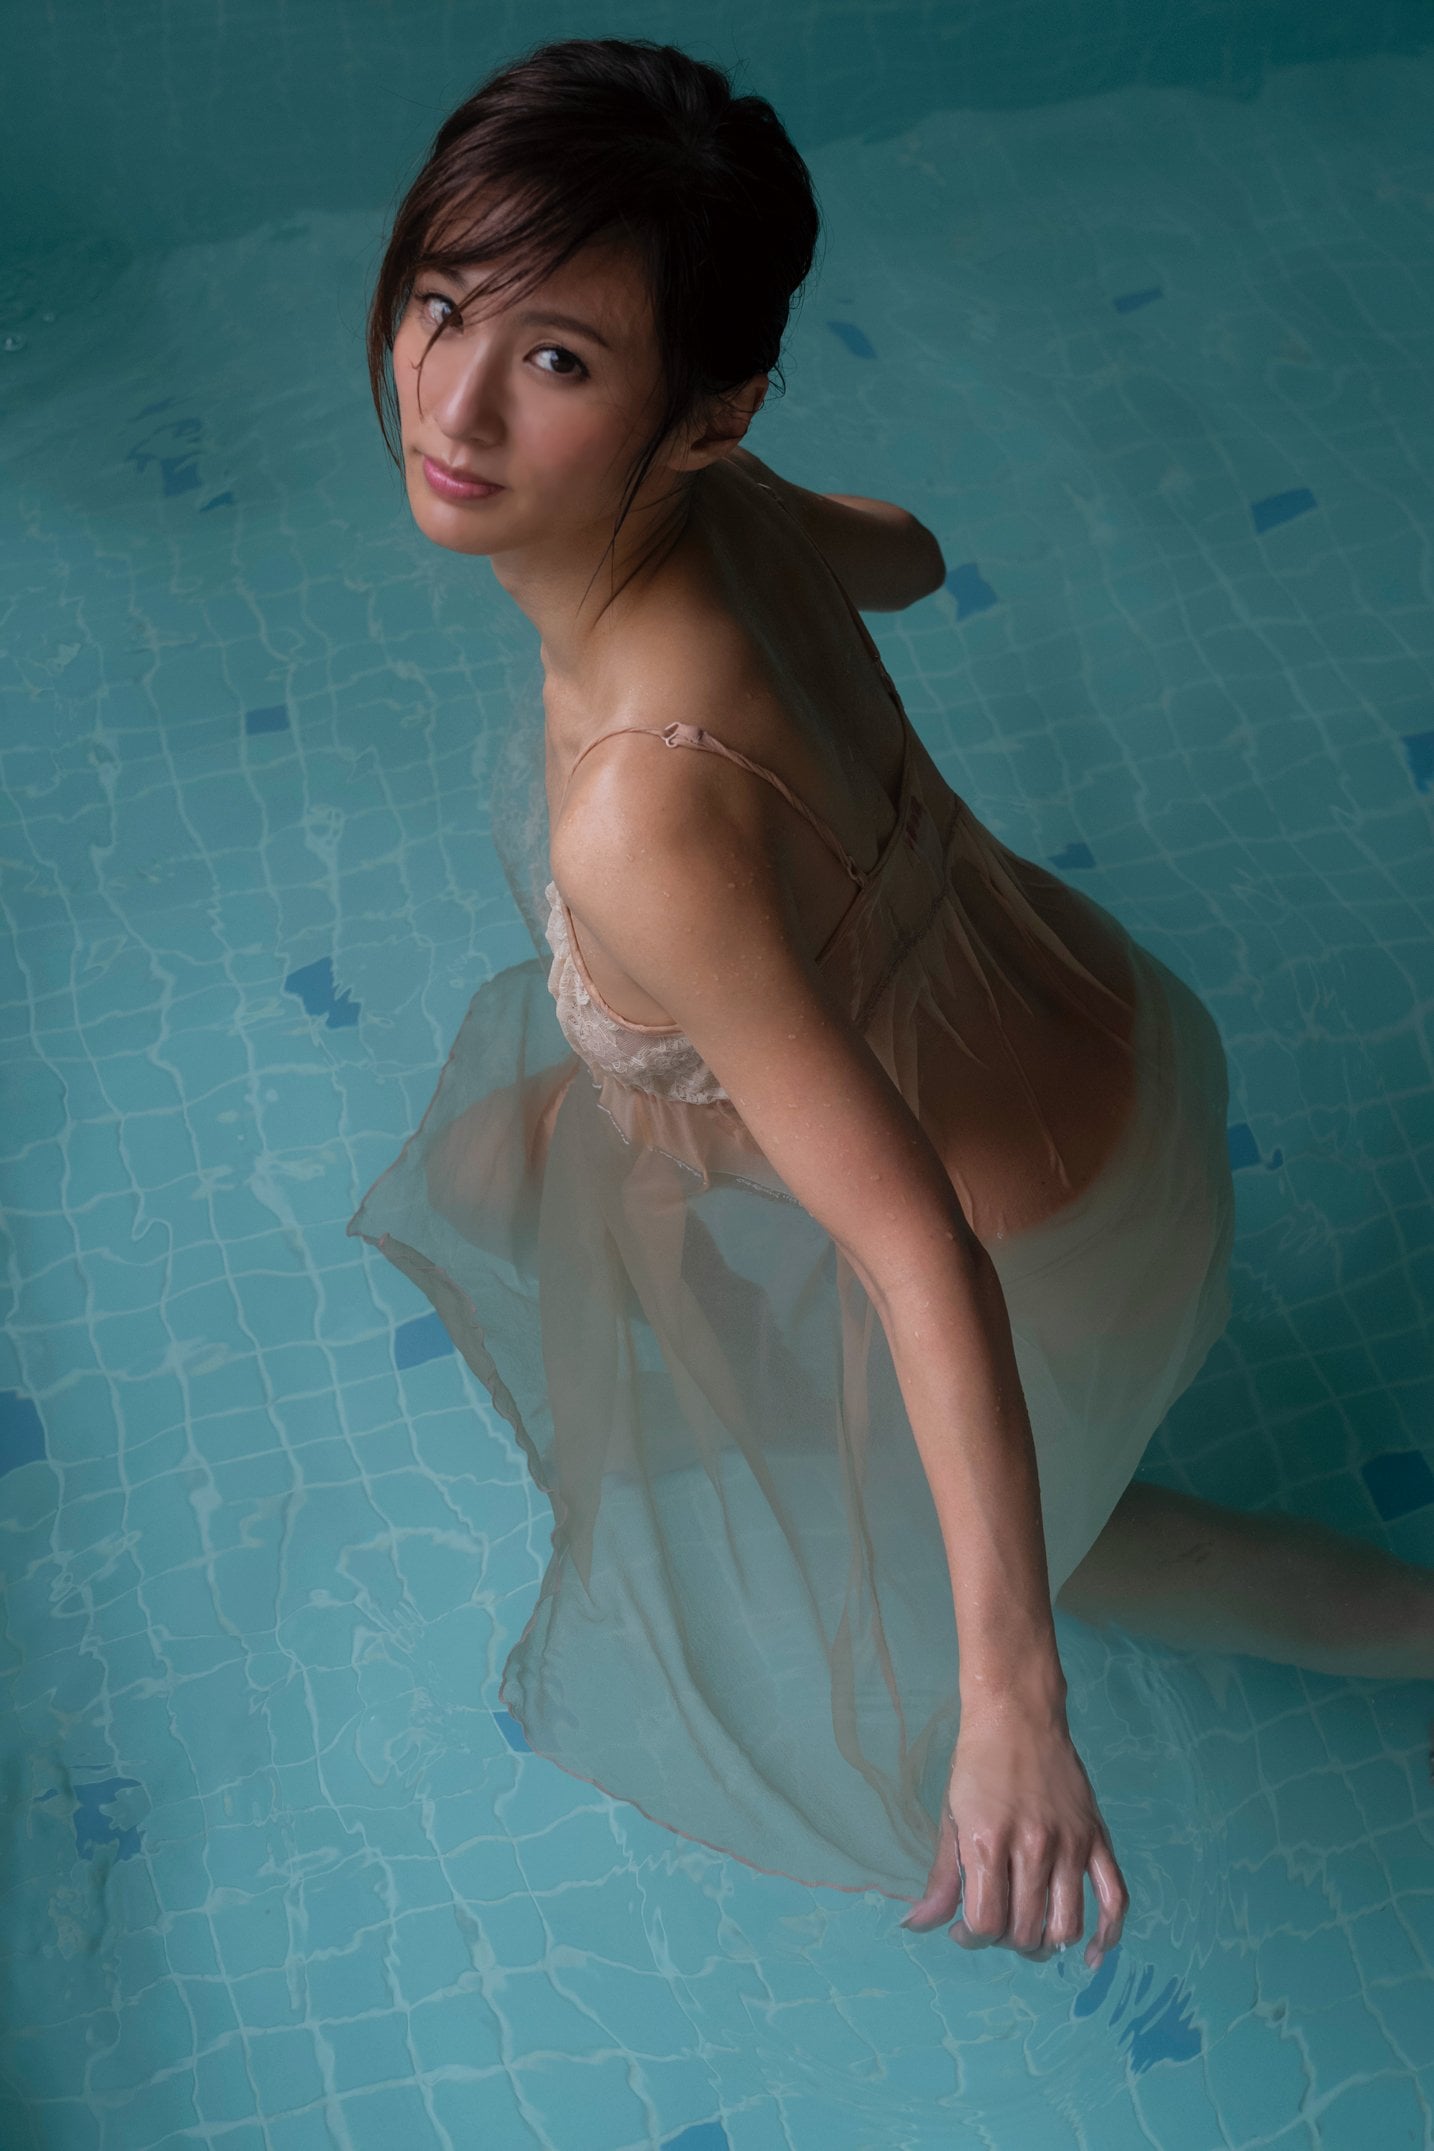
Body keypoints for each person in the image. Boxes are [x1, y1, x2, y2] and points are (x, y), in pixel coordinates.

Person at [348, 35, 1434, 1972]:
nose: (453, 402)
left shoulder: (644, 819)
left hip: (1019, 1242)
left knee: (1094, 1551)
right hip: (1090, 1026)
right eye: (442, 305)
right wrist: (765, 512)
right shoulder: (725, 502)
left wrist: (1007, 1697)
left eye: (558, 360)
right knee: (520, 1168)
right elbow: (912, 558)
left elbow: (911, 1243)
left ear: (704, 410)